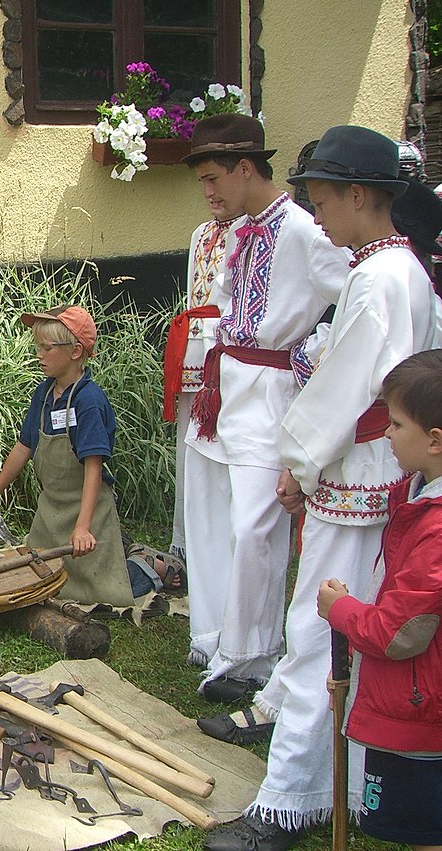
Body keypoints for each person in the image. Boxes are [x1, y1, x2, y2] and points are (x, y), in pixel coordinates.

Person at [203, 125, 442, 851]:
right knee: (342, 629)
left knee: (318, 627)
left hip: (357, 473)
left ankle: (291, 799)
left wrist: (299, 462)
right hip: (379, 471)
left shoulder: (377, 279)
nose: (317, 216)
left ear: (359, 196)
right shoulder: (404, 271)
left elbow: (346, 393)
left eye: (323, 200)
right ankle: (361, 769)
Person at [180, 114, 349, 703]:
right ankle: (223, 634)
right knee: (221, 515)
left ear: (246, 167)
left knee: (257, 524)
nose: (208, 192)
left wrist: (309, 353)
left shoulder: (303, 229)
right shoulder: (242, 229)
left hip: (272, 393)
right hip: (226, 388)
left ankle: (252, 653)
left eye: (212, 178)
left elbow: (353, 295)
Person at [318, 350, 442, 851]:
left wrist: (341, 612)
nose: (386, 434)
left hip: (422, 715)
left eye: (395, 424)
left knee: (426, 831)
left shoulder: (436, 530)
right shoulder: (418, 497)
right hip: (419, 704)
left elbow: (400, 631)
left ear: (434, 440)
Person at [0, 305, 138, 607]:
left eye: (47, 348)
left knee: (102, 589)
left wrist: (83, 527)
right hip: (51, 510)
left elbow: (93, 467)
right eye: (38, 347)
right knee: (38, 578)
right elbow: (23, 448)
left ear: (75, 352)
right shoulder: (44, 394)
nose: (40, 355)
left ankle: (153, 569)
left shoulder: (88, 400)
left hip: (87, 510)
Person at [162, 173, 242, 566]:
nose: (209, 193)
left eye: (216, 181)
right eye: (203, 183)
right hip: (194, 348)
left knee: (224, 446)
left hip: (231, 353)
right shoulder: (200, 233)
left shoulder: (252, 232)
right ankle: (186, 539)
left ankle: (220, 545)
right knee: (188, 446)